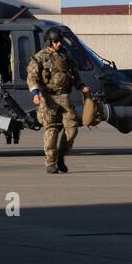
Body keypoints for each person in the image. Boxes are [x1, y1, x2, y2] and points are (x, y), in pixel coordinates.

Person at [27, 27, 91, 174]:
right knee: (51, 129)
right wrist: (35, 93)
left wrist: (81, 86)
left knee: (72, 128)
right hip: (47, 97)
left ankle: (61, 156)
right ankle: (50, 162)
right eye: (56, 41)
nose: (59, 44)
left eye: (60, 41)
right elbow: (32, 77)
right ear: (49, 42)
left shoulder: (65, 56)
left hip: (64, 96)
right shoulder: (40, 57)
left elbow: (74, 75)